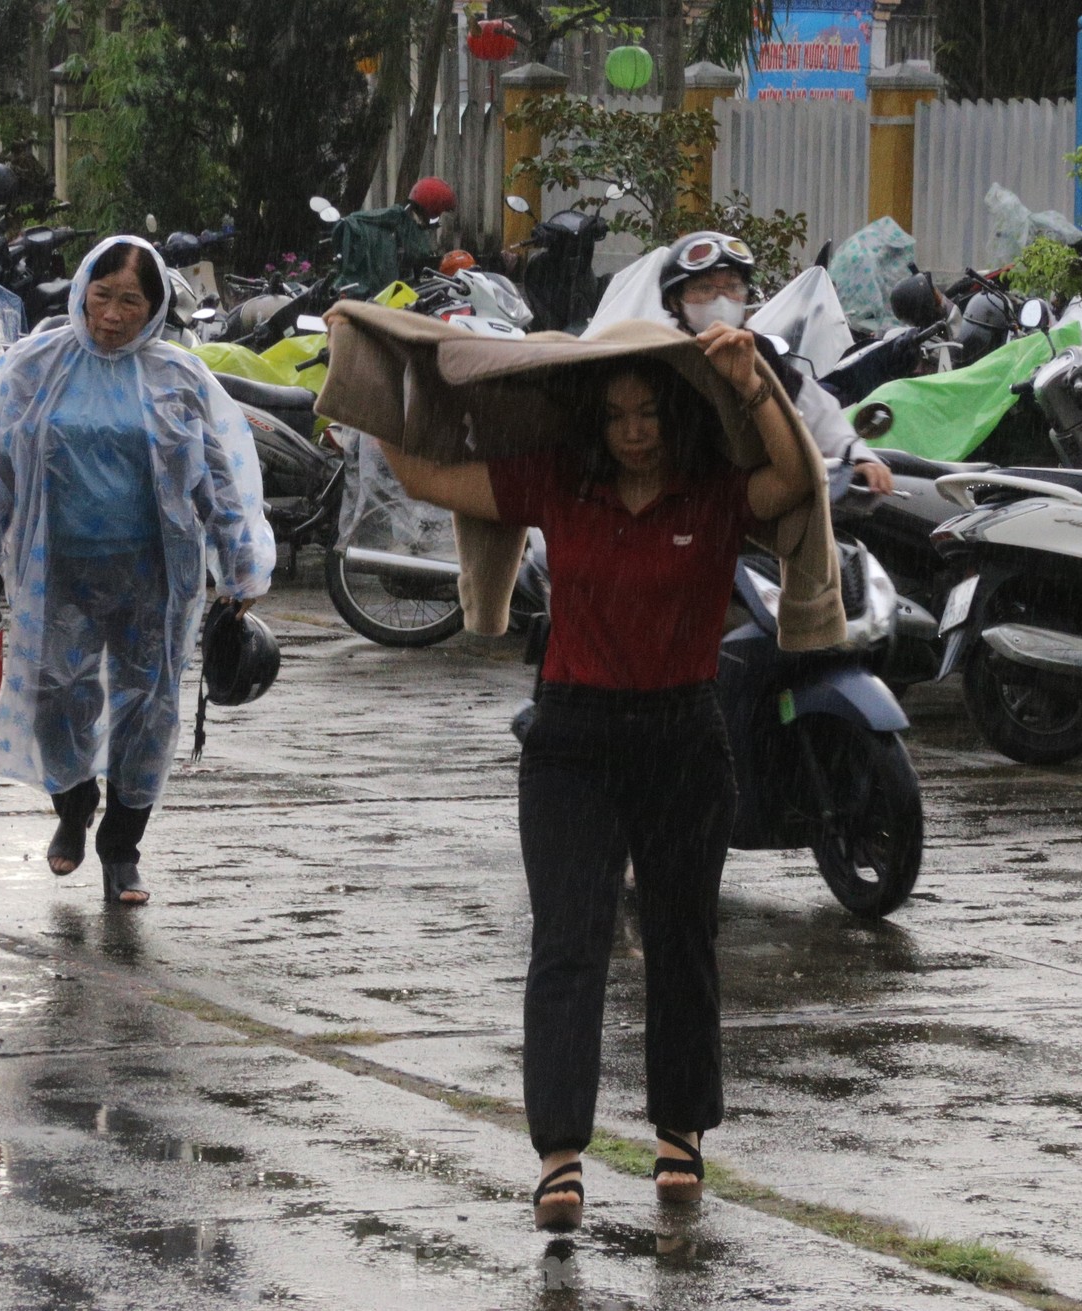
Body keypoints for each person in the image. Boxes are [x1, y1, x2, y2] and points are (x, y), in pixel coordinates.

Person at [368, 318, 816, 1231]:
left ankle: (678, 1133)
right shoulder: (558, 485)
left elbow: (797, 479)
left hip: (685, 740)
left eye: (649, 412)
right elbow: (421, 475)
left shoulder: (717, 494)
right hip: (572, 741)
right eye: (616, 415)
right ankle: (559, 1154)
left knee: (681, 940)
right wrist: (373, 367)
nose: (634, 430)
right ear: (596, 423)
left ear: (678, 416)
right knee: (568, 944)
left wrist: (752, 381)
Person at [0, 236, 275, 906]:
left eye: (132, 300)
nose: (114, 314)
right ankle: (72, 805)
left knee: (146, 710)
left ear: (153, 308)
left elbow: (217, 478)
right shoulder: (35, 366)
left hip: (152, 572)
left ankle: (121, 848)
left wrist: (240, 567)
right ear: (81, 292)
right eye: (103, 295)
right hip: (54, 568)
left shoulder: (178, 378)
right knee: (51, 697)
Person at [656, 231, 895, 496]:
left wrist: (857, 457)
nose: (721, 300)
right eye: (705, 288)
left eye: (733, 287)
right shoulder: (659, 357)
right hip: (671, 498)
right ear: (674, 301)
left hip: (750, 503)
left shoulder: (759, 351)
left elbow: (816, 409)